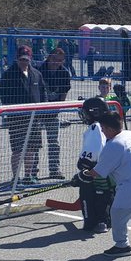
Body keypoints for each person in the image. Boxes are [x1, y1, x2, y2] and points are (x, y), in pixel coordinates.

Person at [88, 110, 131, 256]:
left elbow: (98, 172)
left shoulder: (113, 145)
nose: (103, 132)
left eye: (103, 129)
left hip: (130, 184)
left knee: (117, 212)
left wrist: (82, 175)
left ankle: (122, 245)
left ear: (110, 129)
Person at [0, 45, 47, 184]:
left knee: (31, 148)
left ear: (30, 58)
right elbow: (4, 95)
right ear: (17, 58)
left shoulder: (36, 74)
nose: (24, 62)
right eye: (21, 59)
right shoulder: (9, 75)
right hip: (16, 118)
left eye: (26, 59)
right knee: (17, 149)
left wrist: (43, 110)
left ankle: (28, 175)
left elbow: (43, 93)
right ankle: (15, 177)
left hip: (34, 117)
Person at [75, 97, 116, 234]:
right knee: (105, 192)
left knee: (94, 191)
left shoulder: (96, 127)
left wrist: (83, 168)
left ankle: (98, 220)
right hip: (111, 169)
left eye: (86, 113)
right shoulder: (107, 125)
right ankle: (104, 219)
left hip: (100, 170)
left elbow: (92, 154)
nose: (84, 116)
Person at [38, 47, 73, 178]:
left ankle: (54, 170)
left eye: (59, 60)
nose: (56, 62)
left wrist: (58, 108)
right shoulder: (39, 70)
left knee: (54, 142)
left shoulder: (64, 73)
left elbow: (64, 92)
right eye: (54, 59)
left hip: (53, 113)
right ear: (49, 57)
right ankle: (32, 172)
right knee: (35, 143)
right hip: (38, 112)